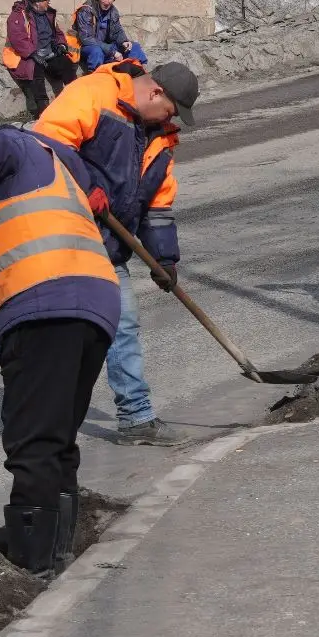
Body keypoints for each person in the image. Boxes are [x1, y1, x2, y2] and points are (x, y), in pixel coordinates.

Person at [0, 123, 121, 579]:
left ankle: (31, 566)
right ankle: (57, 551)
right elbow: (25, 291)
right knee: (57, 436)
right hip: (94, 308)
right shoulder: (62, 171)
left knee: (32, 441)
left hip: (49, 312)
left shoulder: (9, 144)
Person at [33, 60, 202, 447]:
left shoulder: (159, 139)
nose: (171, 119)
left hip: (107, 247)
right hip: (62, 236)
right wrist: (86, 184)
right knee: (60, 335)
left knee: (123, 326)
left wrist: (164, 259)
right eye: (171, 110)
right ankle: (41, 421)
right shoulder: (95, 93)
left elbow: (157, 205)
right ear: (156, 92)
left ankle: (136, 418)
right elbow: (47, 142)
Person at [5, 0, 77, 119]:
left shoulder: (48, 13)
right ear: (37, 2)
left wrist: (61, 45)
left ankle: (75, 101)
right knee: (35, 71)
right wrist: (33, 54)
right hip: (29, 55)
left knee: (67, 64)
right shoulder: (19, 15)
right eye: (46, 0)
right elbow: (17, 38)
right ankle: (43, 111)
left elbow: (57, 32)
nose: (48, 3)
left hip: (49, 52)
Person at [75, 0, 146, 71]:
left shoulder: (113, 11)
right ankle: (95, 75)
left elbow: (117, 30)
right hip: (89, 46)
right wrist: (112, 52)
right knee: (97, 52)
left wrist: (124, 41)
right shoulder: (86, 10)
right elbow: (86, 38)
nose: (107, 2)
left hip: (107, 46)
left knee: (134, 47)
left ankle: (138, 71)